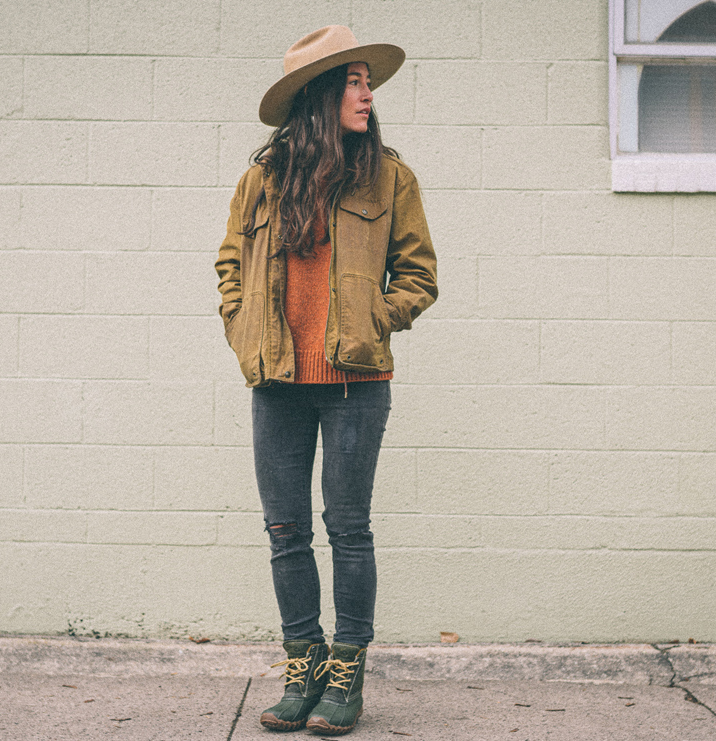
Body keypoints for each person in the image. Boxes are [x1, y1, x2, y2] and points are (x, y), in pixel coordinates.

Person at [213, 25, 437, 736]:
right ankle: (302, 663)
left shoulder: (390, 176)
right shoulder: (262, 180)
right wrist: (242, 325)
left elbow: (420, 275)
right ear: (319, 93)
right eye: (355, 80)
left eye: (369, 81)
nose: (368, 94)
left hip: (355, 382)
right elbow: (229, 269)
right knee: (285, 530)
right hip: (277, 381)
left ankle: (346, 672)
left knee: (347, 527)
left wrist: (378, 316)